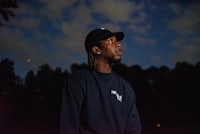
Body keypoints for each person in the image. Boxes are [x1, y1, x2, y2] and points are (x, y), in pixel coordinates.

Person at [60, 28, 142, 134]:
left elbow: (133, 129)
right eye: (111, 41)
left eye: (117, 41)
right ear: (97, 50)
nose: (118, 45)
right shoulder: (78, 81)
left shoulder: (125, 88)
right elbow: (68, 126)